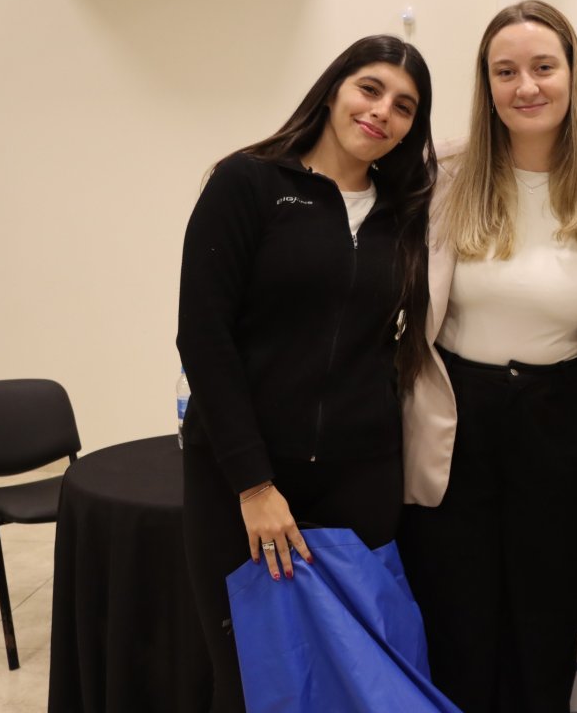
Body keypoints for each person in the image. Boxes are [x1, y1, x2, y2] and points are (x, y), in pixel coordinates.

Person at [175, 34, 436, 712]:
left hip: (359, 482)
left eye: (404, 106)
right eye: (370, 89)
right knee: (252, 681)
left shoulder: (406, 214)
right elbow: (203, 337)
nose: (381, 112)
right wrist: (254, 484)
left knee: (353, 681)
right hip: (242, 481)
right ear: (333, 89)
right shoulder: (248, 182)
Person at [398, 0, 577, 713]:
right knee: (456, 628)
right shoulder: (442, 173)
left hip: (560, 420)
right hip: (454, 421)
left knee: (544, 630)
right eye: (505, 72)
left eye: (543, 67)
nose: (526, 86)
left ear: (572, 72)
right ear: (486, 83)